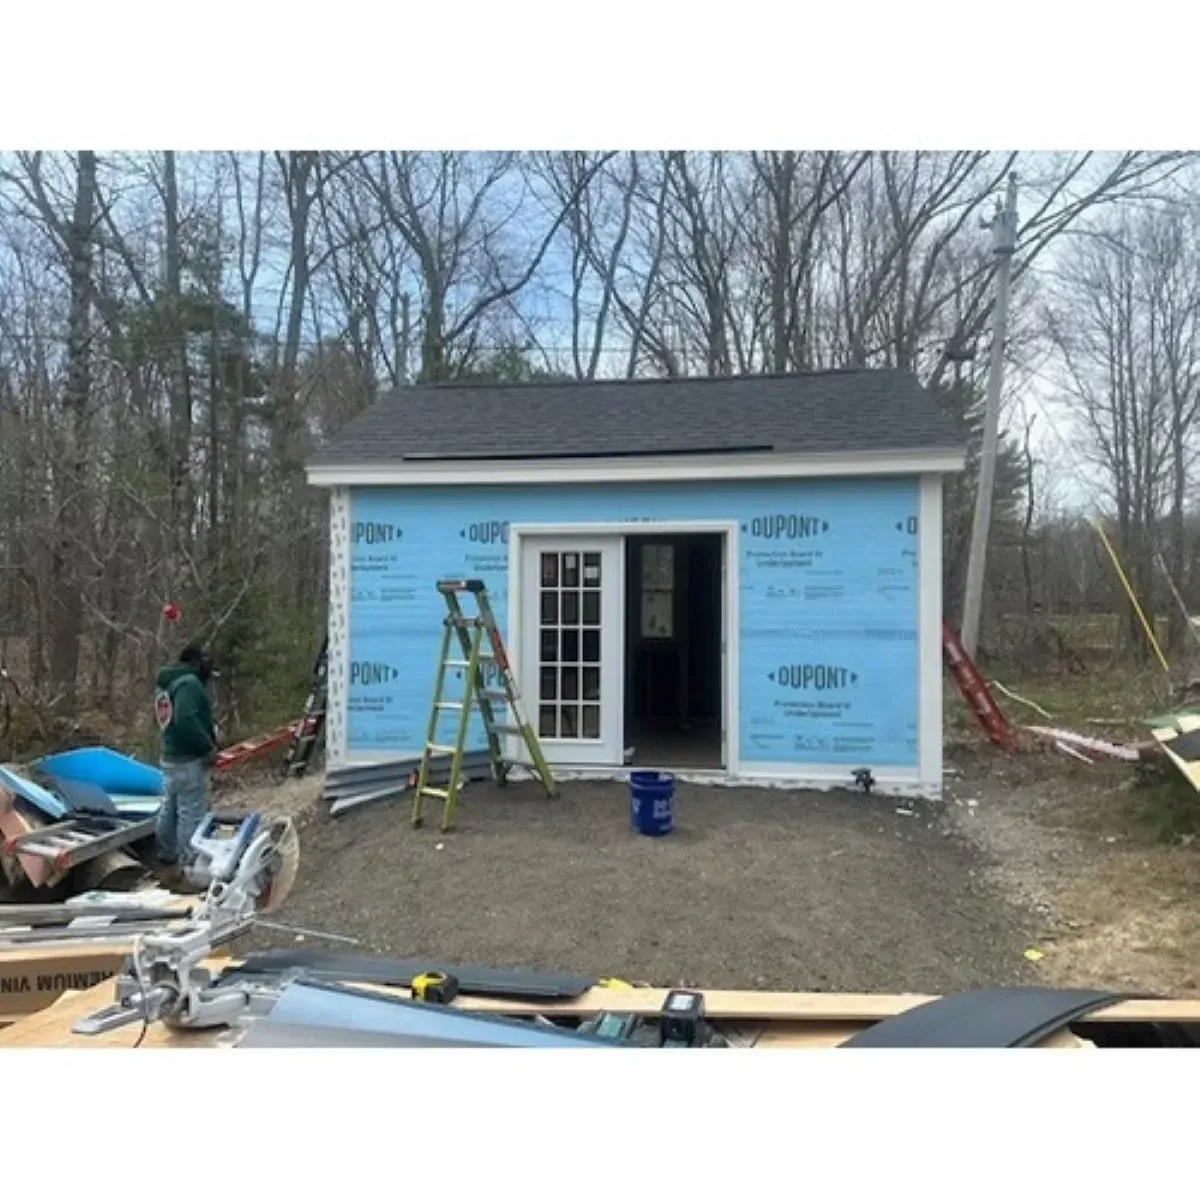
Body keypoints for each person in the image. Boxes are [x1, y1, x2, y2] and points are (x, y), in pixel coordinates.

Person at [153, 643, 218, 869]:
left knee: (169, 810)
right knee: (191, 815)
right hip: (189, 760)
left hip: (170, 757)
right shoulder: (189, 684)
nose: (210, 666)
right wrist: (206, 747)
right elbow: (185, 719)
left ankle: (165, 856)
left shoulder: (168, 684)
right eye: (207, 660)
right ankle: (190, 866)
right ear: (197, 662)